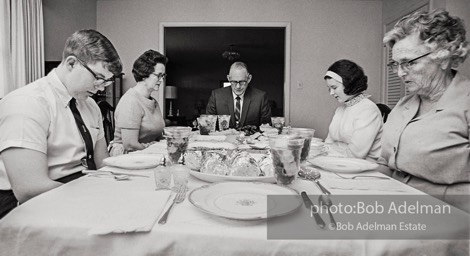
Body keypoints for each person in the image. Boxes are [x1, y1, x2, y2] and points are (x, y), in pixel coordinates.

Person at [0, 29, 122, 218]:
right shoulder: (27, 103)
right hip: (28, 207)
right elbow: (29, 189)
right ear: (71, 63)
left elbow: (101, 164)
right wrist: (94, 199)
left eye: (106, 82)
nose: (100, 88)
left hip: (80, 192)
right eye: (98, 78)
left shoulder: (90, 106)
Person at [380, 9, 470, 212]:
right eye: (395, 65)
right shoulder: (404, 104)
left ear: (444, 57)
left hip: (449, 220)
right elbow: (384, 161)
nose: (401, 73)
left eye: (409, 63)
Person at [324, 59, 383, 162]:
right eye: (329, 88)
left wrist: (332, 148)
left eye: (334, 87)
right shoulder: (340, 110)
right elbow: (327, 143)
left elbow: (356, 154)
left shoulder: (368, 110)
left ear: (349, 83)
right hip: (341, 162)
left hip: (365, 167)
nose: (331, 93)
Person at [110, 50, 166, 156]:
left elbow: (159, 136)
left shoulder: (153, 102)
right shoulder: (130, 101)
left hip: (146, 153)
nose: (161, 80)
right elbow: (130, 145)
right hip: (127, 156)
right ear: (144, 74)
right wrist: (156, 149)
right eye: (158, 75)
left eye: (163, 76)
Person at [206, 62, 271, 128]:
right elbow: (209, 125)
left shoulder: (260, 97)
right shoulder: (216, 96)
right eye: (234, 82)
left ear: (249, 79)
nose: (238, 86)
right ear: (228, 78)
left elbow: (266, 128)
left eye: (242, 82)